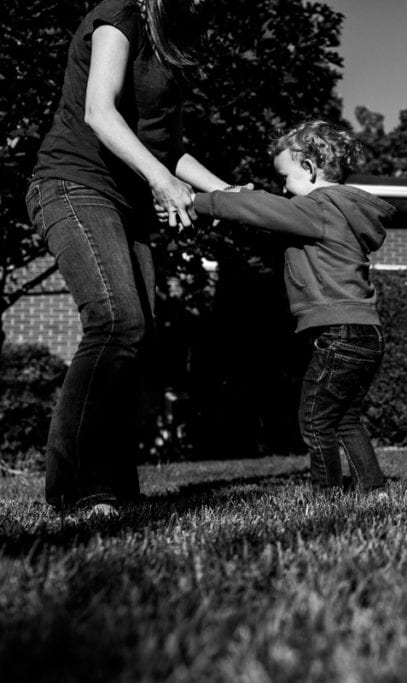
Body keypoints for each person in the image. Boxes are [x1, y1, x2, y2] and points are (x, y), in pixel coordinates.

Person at [25, 0, 244, 516]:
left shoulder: (174, 46)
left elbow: (167, 149)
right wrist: (160, 181)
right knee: (115, 320)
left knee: (136, 336)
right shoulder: (120, 12)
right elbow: (99, 112)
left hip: (125, 204)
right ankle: (78, 489)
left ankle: (115, 486)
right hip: (72, 183)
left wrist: (227, 192)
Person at [186, 120, 395, 492]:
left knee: (314, 419)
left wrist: (199, 201)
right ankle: (372, 487)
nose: (284, 188)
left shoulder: (319, 208)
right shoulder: (339, 214)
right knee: (345, 417)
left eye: (286, 177)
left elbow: (262, 208)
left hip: (339, 332)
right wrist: (234, 200)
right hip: (366, 333)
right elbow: (272, 224)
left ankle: (325, 495)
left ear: (310, 168)